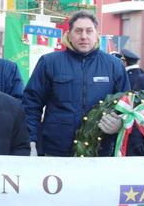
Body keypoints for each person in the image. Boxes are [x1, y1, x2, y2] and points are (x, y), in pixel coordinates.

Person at [22, 11, 130, 157]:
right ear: (69, 34)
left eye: (89, 31)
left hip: (100, 150)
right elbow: (31, 104)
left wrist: (120, 124)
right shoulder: (49, 62)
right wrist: (32, 140)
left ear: (96, 34)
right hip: (56, 150)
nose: (84, 36)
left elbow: (127, 105)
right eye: (78, 31)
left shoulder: (114, 65)